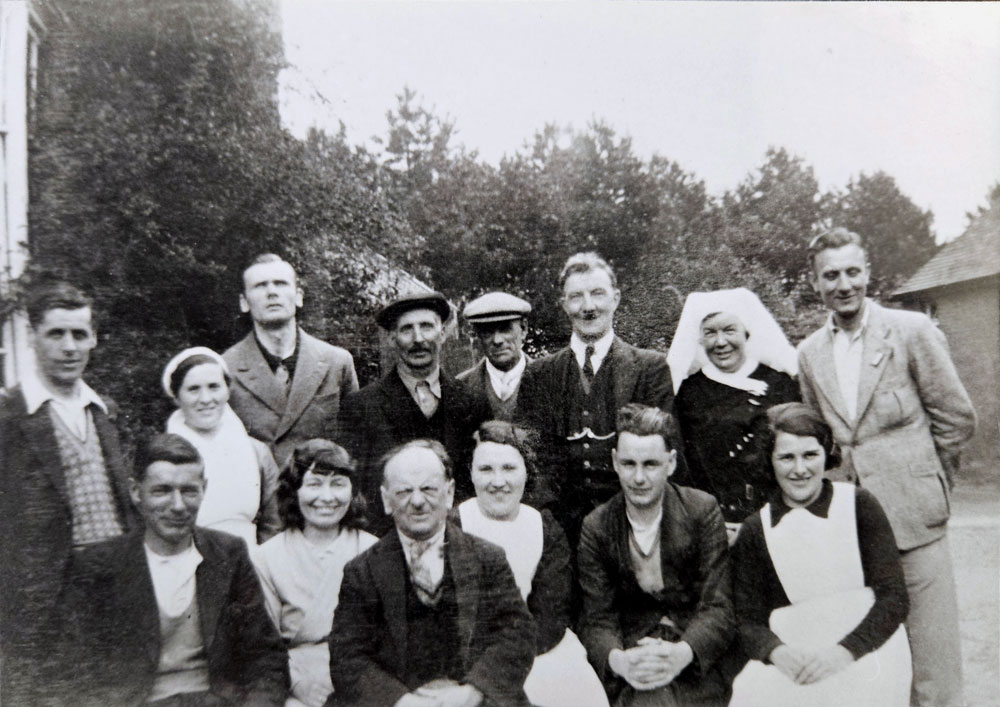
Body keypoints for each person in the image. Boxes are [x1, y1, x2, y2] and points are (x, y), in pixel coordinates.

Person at [797, 227, 976, 706]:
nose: (844, 285)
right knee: (875, 668)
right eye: (830, 275)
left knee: (936, 672)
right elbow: (820, 441)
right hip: (853, 531)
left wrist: (929, 481)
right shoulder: (809, 354)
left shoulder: (911, 331)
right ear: (815, 283)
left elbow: (956, 418)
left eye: (852, 272)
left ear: (868, 273)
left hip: (917, 522)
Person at [59, 433, 289, 706]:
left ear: (204, 489)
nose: (178, 506)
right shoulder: (98, 566)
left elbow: (265, 657)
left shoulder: (228, 555)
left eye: (189, 491)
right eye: (162, 491)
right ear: (136, 492)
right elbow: (72, 673)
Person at [0, 281, 135, 705]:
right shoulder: (10, 416)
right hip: (46, 598)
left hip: (115, 585)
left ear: (94, 337)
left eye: (79, 334)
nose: (69, 347)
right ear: (32, 336)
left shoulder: (103, 410)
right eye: (56, 334)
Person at [328, 439, 535, 707]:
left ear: (449, 494)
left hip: (473, 698)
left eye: (428, 489)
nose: (417, 501)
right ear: (386, 500)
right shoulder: (362, 571)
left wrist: (473, 692)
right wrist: (400, 701)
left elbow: (517, 634)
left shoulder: (487, 558)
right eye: (404, 491)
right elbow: (347, 656)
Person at [729, 403, 911, 706]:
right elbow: (747, 619)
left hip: (866, 650)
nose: (800, 469)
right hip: (796, 659)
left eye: (810, 455)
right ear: (769, 460)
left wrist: (844, 652)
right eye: (786, 457)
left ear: (827, 453)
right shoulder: (757, 528)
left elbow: (894, 597)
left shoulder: (858, 505)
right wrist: (776, 652)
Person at [517, 252, 679, 547]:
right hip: (561, 532)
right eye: (576, 297)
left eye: (597, 294)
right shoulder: (539, 374)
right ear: (564, 305)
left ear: (615, 299)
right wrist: (552, 529)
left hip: (632, 526)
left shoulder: (650, 369)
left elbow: (664, 455)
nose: (588, 307)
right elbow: (533, 461)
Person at [577, 404, 734, 706]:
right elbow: (597, 618)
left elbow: (718, 606)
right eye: (628, 464)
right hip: (633, 654)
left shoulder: (701, 510)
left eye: (650, 464)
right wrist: (619, 660)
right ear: (614, 462)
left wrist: (682, 653)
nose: (638, 478)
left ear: (671, 463)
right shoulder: (597, 526)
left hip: (694, 651)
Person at [456, 421, 608, 707]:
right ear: (471, 473)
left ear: (527, 471)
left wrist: (510, 657)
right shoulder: (454, 525)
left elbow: (550, 616)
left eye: (509, 468)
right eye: (486, 469)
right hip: (470, 656)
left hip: (538, 651)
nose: (498, 481)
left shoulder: (543, 528)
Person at [338, 292, 490, 530]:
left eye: (427, 327)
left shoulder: (472, 402)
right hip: (388, 539)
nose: (418, 339)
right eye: (407, 329)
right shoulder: (361, 406)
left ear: (442, 333)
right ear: (392, 338)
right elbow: (355, 489)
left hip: (458, 538)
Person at [253, 440, 377, 707]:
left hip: (363, 679)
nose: (327, 497)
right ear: (294, 490)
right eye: (315, 484)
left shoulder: (373, 551)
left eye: (338, 484)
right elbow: (263, 645)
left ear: (352, 490)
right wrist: (298, 684)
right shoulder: (266, 558)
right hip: (293, 684)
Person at [666, 288, 799, 539]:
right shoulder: (687, 394)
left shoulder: (781, 386)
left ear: (746, 332)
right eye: (710, 333)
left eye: (729, 330)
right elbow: (682, 467)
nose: (720, 342)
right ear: (699, 339)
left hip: (778, 522)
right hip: (711, 525)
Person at [224, 253, 359, 468]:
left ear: (298, 297)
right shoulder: (224, 368)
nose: (271, 292)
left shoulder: (337, 362)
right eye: (260, 285)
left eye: (280, 283)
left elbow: (354, 442)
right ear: (244, 302)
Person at [163, 346, 281, 546]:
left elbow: (274, 522)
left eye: (214, 387)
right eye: (193, 389)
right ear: (177, 397)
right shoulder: (162, 456)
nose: (205, 399)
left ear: (227, 391)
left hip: (250, 559)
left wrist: (259, 560)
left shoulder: (256, 452)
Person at [457, 292, 533, 421]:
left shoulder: (550, 381)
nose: (497, 340)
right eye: (487, 331)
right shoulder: (460, 388)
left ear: (524, 329)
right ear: (477, 335)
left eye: (505, 329)